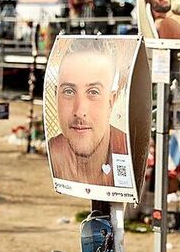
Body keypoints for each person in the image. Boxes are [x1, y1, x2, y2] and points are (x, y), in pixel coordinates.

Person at [48, 39, 129, 186]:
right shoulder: (53, 150)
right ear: (55, 95)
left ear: (111, 101)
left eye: (93, 92)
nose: (79, 111)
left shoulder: (128, 150)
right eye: (68, 91)